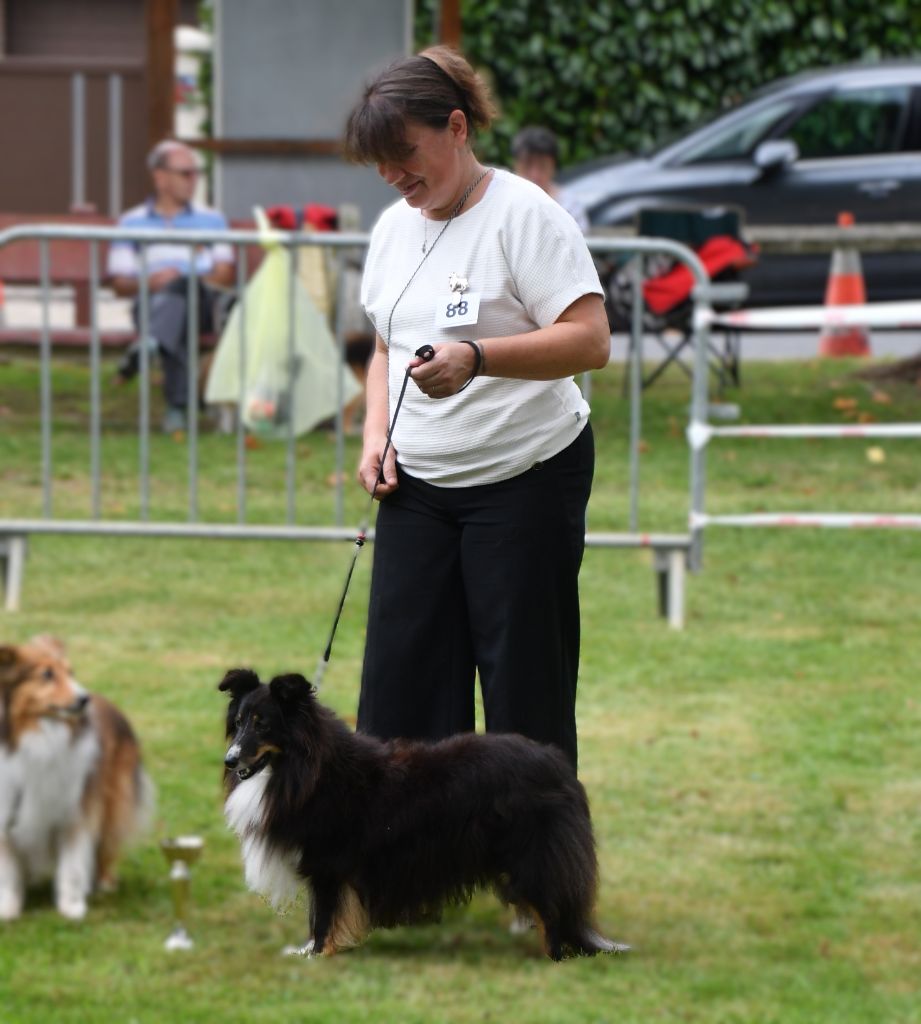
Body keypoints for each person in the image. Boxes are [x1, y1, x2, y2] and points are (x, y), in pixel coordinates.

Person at [343, 46, 610, 769]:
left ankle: (537, 870)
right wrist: (376, 437)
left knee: (525, 693)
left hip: (524, 481)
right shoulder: (393, 226)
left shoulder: (526, 216)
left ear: (456, 128)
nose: (394, 177)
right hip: (418, 488)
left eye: (405, 154)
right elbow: (384, 348)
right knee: (400, 693)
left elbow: (590, 341)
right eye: (380, 164)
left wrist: (479, 357)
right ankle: (411, 864)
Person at [107, 140, 234, 433]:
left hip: (203, 300)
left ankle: (155, 355)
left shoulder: (212, 219)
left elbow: (224, 275)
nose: (193, 180)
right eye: (185, 173)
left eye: (195, 173)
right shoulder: (131, 222)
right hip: (151, 301)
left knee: (181, 292)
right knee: (174, 313)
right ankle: (157, 350)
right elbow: (119, 283)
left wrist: (182, 278)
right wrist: (149, 281)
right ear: (160, 177)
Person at [511, 125, 589, 233]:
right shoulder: (503, 202)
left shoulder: (569, 206)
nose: (535, 175)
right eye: (528, 165)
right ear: (516, 165)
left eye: (542, 166)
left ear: (553, 167)